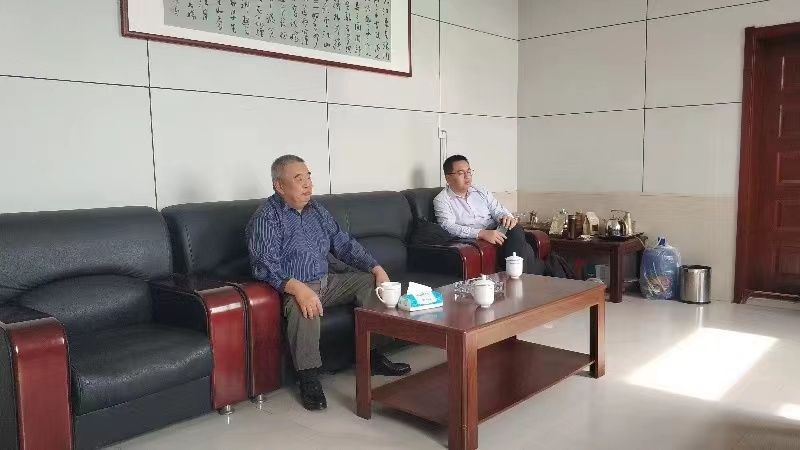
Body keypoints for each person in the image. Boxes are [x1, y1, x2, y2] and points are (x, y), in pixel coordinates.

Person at [247, 155, 411, 411]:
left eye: (309, 177)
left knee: (370, 283)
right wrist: (298, 288)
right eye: (299, 179)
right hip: (292, 287)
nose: (307, 184)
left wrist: (376, 268)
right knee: (304, 306)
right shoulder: (267, 217)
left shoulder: (317, 210)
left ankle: (372, 356)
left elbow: (344, 245)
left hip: (328, 281)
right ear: (279, 186)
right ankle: (308, 379)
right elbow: (263, 264)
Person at [433, 154, 546, 275]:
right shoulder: (441, 200)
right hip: (474, 237)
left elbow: (497, 209)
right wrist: (481, 233)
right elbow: (448, 226)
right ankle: (528, 275)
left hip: (497, 230)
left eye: (469, 171)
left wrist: (506, 217)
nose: (467, 176)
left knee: (515, 228)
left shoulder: (481, 191)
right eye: (461, 173)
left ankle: (523, 276)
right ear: (448, 178)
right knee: (527, 250)